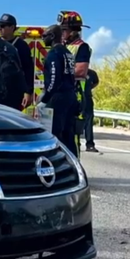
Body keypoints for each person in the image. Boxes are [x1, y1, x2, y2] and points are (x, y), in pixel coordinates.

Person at [39, 25, 79, 156]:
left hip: (58, 98)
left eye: (45, 36)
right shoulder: (67, 53)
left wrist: (45, 99)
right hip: (70, 96)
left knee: (55, 134)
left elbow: (54, 79)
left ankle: (59, 163)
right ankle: (73, 162)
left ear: (52, 36)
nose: (43, 38)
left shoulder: (54, 54)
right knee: (69, 134)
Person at [58, 11, 92, 154]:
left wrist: (60, 72)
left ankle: (74, 167)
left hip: (76, 96)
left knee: (72, 137)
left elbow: (81, 71)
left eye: (64, 29)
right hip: (61, 95)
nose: (62, 32)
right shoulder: (62, 45)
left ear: (73, 30)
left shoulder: (81, 47)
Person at [0, 13, 35, 110]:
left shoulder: (21, 45)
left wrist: (28, 92)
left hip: (15, 91)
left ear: (12, 27)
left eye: (3, 26)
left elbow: (28, 69)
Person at [83, 68, 100, 152]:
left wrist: (89, 88)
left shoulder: (92, 73)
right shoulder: (73, 71)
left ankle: (89, 144)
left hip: (87, 99)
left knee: (89, 122)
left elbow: (96, 82)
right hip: (76, 98)